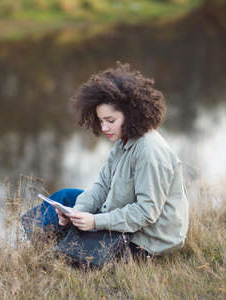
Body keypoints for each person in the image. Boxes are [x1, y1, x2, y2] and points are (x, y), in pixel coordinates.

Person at [21, 63, 188, 259]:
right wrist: (74, 212)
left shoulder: (150, 151)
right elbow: (102, 186)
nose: (105, 127)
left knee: (81, 244)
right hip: (125, 220)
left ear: (132, 114)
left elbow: (146, 213)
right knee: (65, 198)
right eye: (101, 121)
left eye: (110, 120)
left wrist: (95, 222)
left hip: (146, 241)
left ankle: (57, 255)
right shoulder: (123, 141)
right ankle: (41, 250)